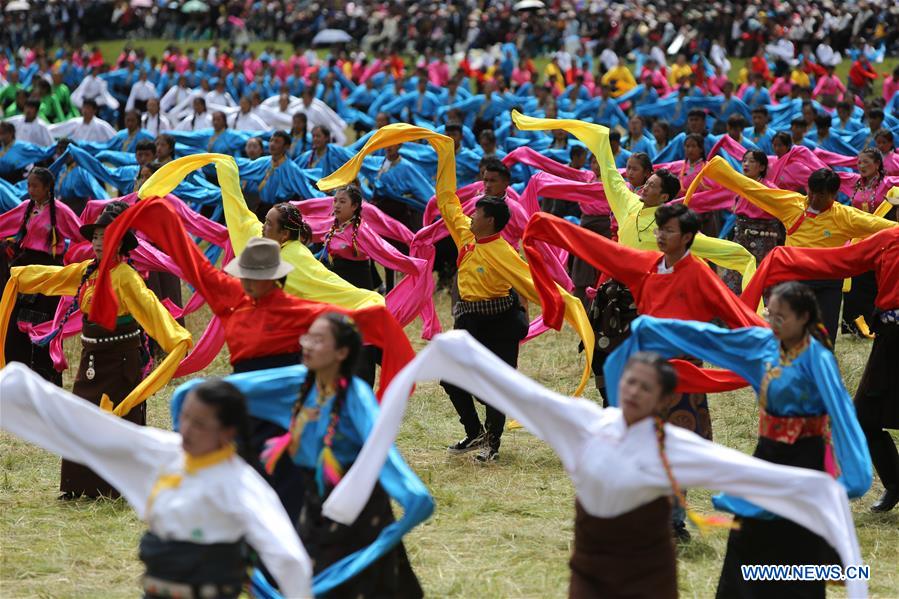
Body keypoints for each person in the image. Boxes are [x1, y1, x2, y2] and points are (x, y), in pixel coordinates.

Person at [328, 330, 867, 599]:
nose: (630, 391)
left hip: (647, 574)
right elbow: (520, 392)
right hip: (589, 568)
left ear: (661, 401)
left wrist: (827, 494)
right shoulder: (586, 421)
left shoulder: (674, 448)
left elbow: (757, 474)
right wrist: (457, 353)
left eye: (643, 388)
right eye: (627, 380)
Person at [315, 124, 595, 460]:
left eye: (476, 211)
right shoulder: (466, 235)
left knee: (498, 384)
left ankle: (492, 442)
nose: (470, 214)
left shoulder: (503, 252)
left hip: (501, 321)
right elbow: (447, 200)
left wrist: (575, 312)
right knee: (450, 377)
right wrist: (444, 152)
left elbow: (537, 287)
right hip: (469, 321)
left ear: (490, 220)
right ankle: (474, 433)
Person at [608, 283, 872, 598]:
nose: (771, 323)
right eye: (769, 315)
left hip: (805, 462)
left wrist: (854, 476)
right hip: (768, 456)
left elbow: (841, 413)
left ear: (803, 318)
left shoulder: (818, 359)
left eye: (780, 317)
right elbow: (711, 338)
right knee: (746, 538)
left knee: (799, 545)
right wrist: (655, 327)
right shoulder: (762, 345)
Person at [172, 313, 433, 597]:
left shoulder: (355, 396)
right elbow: (203, 392)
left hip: (357, 516)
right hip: (312, 512)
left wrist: (410, 493)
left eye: (318, 340)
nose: (307, 345)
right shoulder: (294, 382)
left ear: (341, 352)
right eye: (307, 337)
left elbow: (380, 450)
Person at [0, 366, 313, 598]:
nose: (187, 429)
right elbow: (92, 428)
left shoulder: (240, 484)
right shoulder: (165, 452)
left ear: (227, 432)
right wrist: (17, 389)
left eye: (200, 424)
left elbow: (288, 558)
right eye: (186, 417)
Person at [0, 201, 192, 498]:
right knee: (81, 417)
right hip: (91, 358)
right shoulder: (89, 271)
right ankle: (78, 486)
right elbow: (53, 278)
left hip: (120, 360)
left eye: (106, 236)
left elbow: (153, 312)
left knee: (115, 420)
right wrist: (19, 276)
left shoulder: (126, 277)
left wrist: (176, 338)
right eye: (96, 237)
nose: (99, 242)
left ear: (119, 241)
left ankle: (117, 487)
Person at [741, 228, 899, 513]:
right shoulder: (888, 239)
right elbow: (841, 259)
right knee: (864, 416)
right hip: (890, 338)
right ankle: (896, 483)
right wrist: (787, 258)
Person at [685, 156, 896, 344]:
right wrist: (720, 171)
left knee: (825, 339)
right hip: (795, 279)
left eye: (821, 196)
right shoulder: (792, 205)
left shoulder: (846, 216)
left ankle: (818, 378)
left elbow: (884, 227)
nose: (813, 199)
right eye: (811, 193)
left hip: (828, 282)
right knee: (790, 335)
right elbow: (753, 190)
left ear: (833, 195)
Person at [0, 168, 84, 384]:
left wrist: (77, 260)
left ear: (48, 188)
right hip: (25, 272)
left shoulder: (61, 212)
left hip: (49, 275)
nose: (30, 190)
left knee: (45, 325)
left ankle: (46, 378)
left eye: (35, 186)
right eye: (29, 185)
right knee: (15, 325)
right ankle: (16, 377)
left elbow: (81, 235)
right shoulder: (25, 209)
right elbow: (3, 224)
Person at [722, 150, 784, 293]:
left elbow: (782, 208)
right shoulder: (740, 185)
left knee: (760, 280)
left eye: (751, 161)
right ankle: (731, 311)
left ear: (762, 167)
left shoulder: (769, 189)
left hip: (762, 243)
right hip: (741, 239)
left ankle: (758, 314)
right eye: (744, 160)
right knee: (733, 277)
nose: (746, 164)